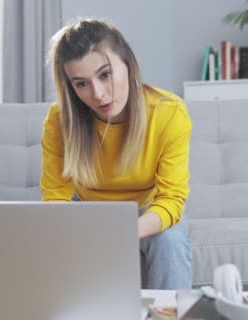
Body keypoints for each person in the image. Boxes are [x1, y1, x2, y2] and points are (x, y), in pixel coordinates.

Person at [41, 17, 192, 290]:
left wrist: (121, 233)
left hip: (150, 207)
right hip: (87, 209)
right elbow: (56, 198)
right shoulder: (59, 120)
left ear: (128, 64)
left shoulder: (170, 114)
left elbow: (171, 200)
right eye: (81, 84)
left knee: (169, 241)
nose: (98, 94)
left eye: (105, 75)